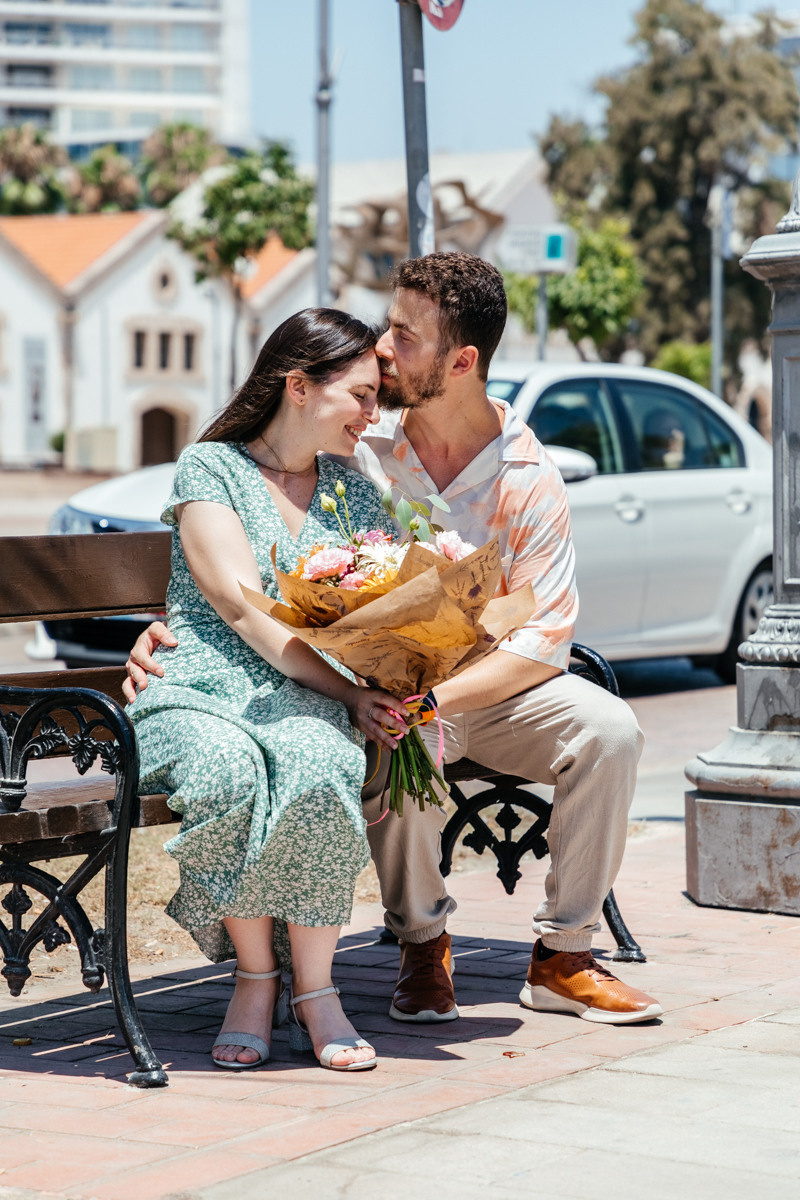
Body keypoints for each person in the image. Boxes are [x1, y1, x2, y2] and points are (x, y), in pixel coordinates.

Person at [125, 253, 662, 1029]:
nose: (382, 348)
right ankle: (421, 945)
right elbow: (268, 549)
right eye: (387, 328)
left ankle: (565, 955)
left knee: (610, 728)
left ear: (462, 360)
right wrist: (173, 624)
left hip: (493, 688)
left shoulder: (526, 476)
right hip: (369, 685)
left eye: (405, 336)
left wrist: (433, 693)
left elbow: (544, 635)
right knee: (403, 727)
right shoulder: (359, 448)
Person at [125, 308, 413, 1073]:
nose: (372, 413)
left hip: (306, 696)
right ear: (297, 386)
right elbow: (241, 608)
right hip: (195, 688)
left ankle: (316, 990)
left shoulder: (354, 493)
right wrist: (352, 697)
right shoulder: (210, 467)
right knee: (230, 771)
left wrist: (384, 679)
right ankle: (255, 978)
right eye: (360, 395)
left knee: (321, 764)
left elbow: (385, 607)